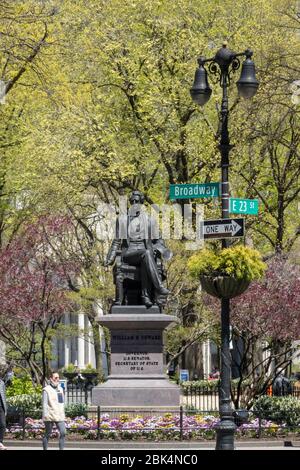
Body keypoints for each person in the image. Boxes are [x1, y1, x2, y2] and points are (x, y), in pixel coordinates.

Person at [105, 190, 172, 307]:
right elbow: (116, 241)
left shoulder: (150, 220)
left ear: (141, 203)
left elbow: (159, 240)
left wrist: (159, 249)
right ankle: (159, 288)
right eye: (132, 201)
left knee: (146, 256)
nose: (135, 203)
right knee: (146, 254)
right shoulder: (122, 220)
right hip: (129, 254)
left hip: (145, 254)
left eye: (137, 201)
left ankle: (146, 297)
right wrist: (109, 259)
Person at [42, 372, 66, 450]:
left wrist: (63, 413)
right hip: (49, 415)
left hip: (59, 415)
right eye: (56, 378)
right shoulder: (46, 390)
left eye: (58, 377)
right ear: (51, 379)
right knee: (48, 433)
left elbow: (62, 402)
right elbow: (44, 404)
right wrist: (45, 416)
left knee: (63, 432)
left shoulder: (61, 389)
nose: (57, 379)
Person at [0, 371, 7, 451]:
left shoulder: (1, 382)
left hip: (1, 407)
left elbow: (4, 396)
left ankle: (0, 442)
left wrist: (5, 409)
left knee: (2, 424)